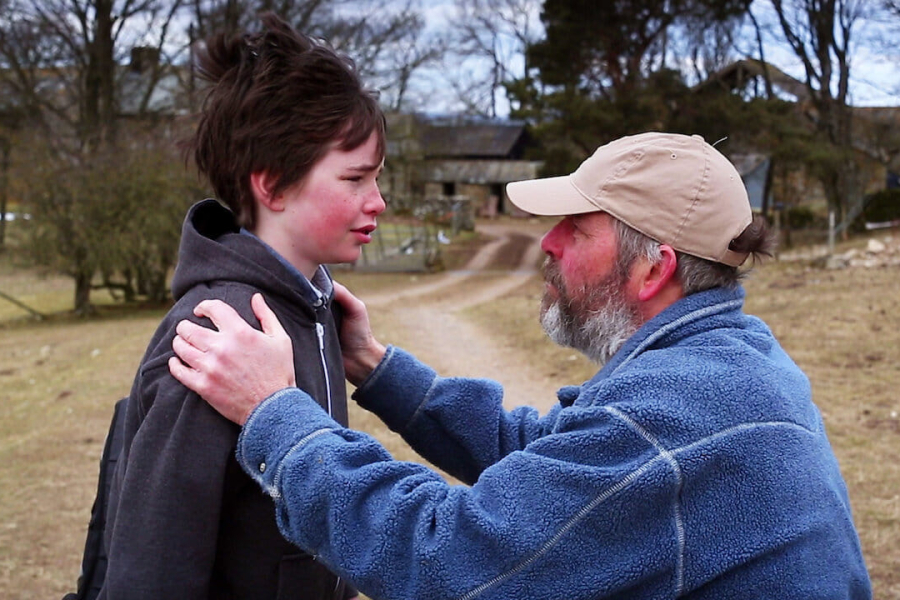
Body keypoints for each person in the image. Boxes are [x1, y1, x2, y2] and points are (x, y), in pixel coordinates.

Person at [168, 132, 872, 599]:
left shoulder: (672, 418)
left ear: (654, 268)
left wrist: (274, 415)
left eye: (578, 227)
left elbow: (448, 558)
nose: (547, 243)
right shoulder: (727, 360)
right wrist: (375, 365)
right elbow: (548, 461)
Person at [98, 12, 384, 600]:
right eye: (355, 179)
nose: (377, 201)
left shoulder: (317, 311)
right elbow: (153, 568)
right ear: (273, 185)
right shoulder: (217, 334)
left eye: (378, 177)